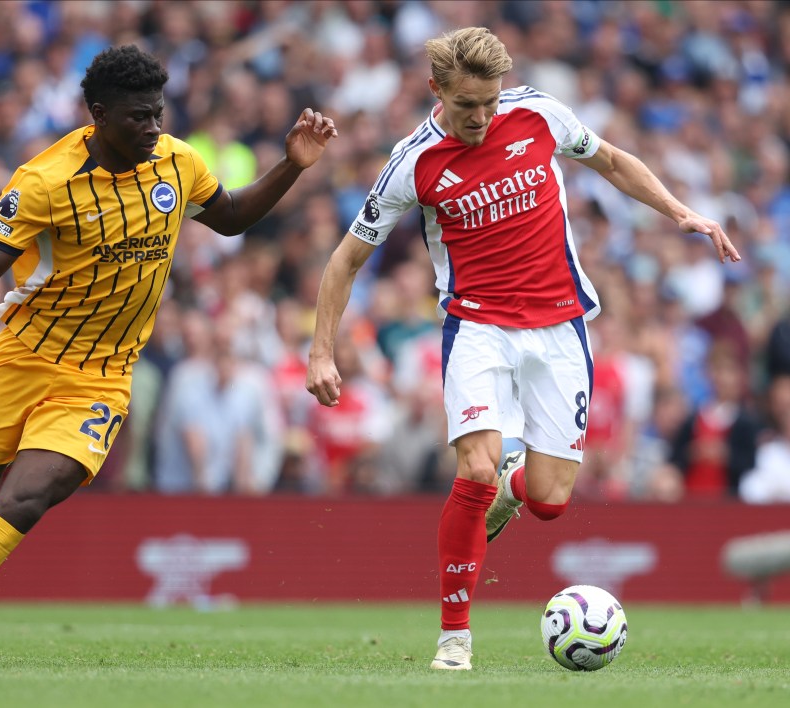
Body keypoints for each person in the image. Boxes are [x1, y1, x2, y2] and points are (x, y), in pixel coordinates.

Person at [0, 44, 337, 666]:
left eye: (158, 113)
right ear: (99, 116)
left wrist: (291, 166)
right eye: (139, 117)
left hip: (100, 380)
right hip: (21, 359)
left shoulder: (176, 163)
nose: (154, 128)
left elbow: (233, 217)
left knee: (24, 500)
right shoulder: (43, 181)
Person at [305, 26, 740, 672]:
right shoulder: (413, 162)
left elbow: (613, 162)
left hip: (561, 326)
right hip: (477, 328)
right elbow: (345, 261)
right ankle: (455, 637)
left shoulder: (538, 113)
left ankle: (514, 486)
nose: (480, 117)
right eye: (465, 105)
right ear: (436, 91)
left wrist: (681, 213)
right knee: (474, 470)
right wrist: (321, 352)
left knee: (550, 500)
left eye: (488, 102)